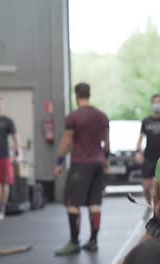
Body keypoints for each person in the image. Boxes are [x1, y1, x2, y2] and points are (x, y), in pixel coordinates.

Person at [54, 83, 110, 256]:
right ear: (89, 94)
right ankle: (93, 242)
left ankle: (74, 242)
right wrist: (106, 160)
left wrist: (59, 162)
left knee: (72, 202)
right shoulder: (102, 116)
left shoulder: (74, 117)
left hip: (80, 164)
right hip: (98, 164)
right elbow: (107, 142)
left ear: (77, 95)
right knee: (95, 203)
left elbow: (66, 142)